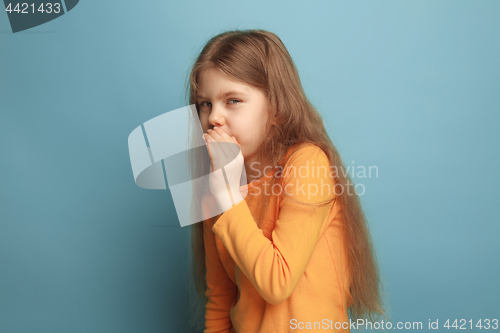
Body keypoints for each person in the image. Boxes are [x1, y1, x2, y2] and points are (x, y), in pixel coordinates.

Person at [186, 29, 384, 333]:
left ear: (276, 109)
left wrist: (228, 196)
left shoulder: (308, 164)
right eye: (205, 104)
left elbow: (277, 283)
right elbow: (220, 300)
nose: (214, 118)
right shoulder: (213, 191)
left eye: (233, 100)